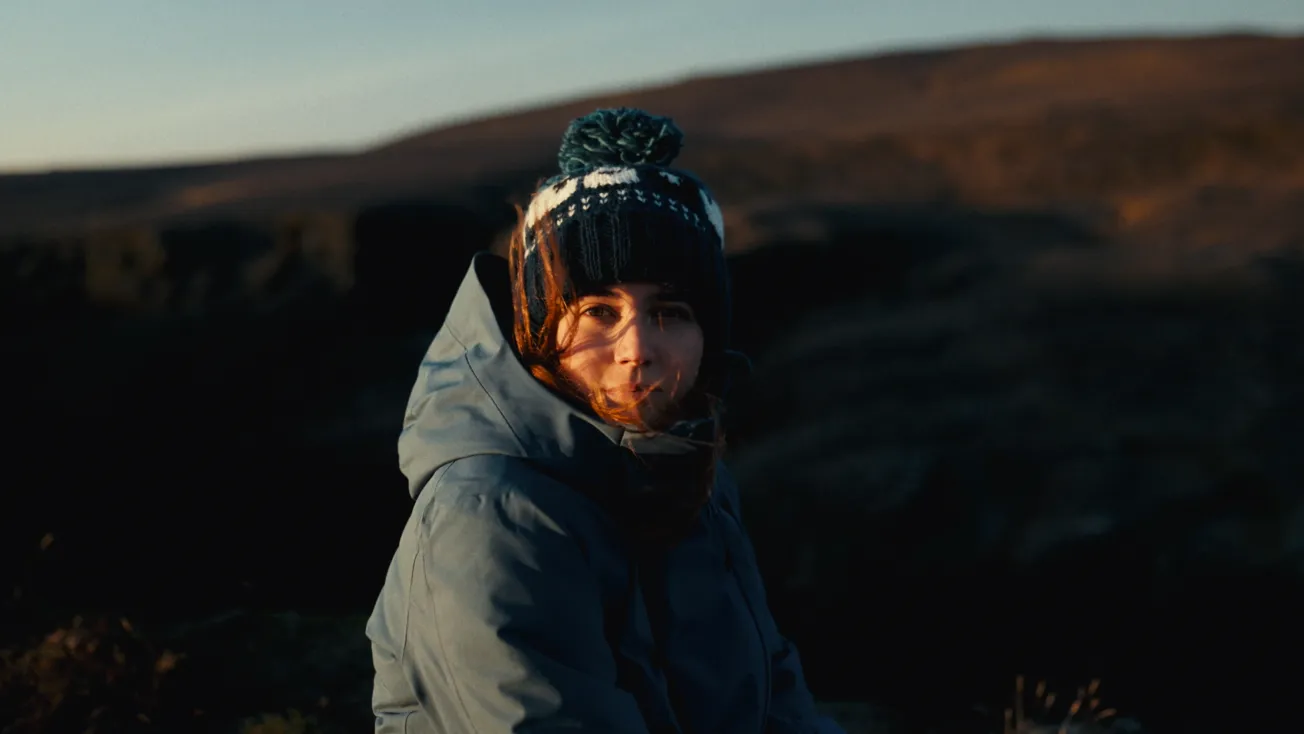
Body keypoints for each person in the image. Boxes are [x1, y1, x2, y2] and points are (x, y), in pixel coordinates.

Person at [366, 107, 843, 734]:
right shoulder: (492, 512)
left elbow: (770, 687)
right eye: (597, 310)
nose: (637, 347)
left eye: (670, 312)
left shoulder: (684, 467)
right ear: (540, 329)